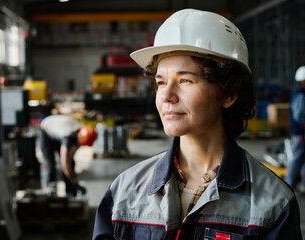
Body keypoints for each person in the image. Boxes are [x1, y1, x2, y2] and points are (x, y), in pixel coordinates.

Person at [92, 9, 302, 239]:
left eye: (185, 80)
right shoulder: (124, 190)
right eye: (161, 82)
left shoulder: (273, 203)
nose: (167, 96)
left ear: (229, 93)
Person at [39, 114, 97, 196]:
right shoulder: (68, 137)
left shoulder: (80, 131)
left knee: (71, 163)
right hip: (46, 130)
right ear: (79, 137)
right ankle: (49, 189)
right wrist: (75, 182)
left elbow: (70, 158)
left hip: (58, 132)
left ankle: (70, 190)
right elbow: (65, 163)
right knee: (49, 162)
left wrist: (71, 179)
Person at [285, 66, 305, 191]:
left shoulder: (298, 92)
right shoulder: (300, 94)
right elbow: (298, 115)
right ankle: (288, 186)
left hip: (300, 132)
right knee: (297, 159)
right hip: (300, 133)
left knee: (301, 158)